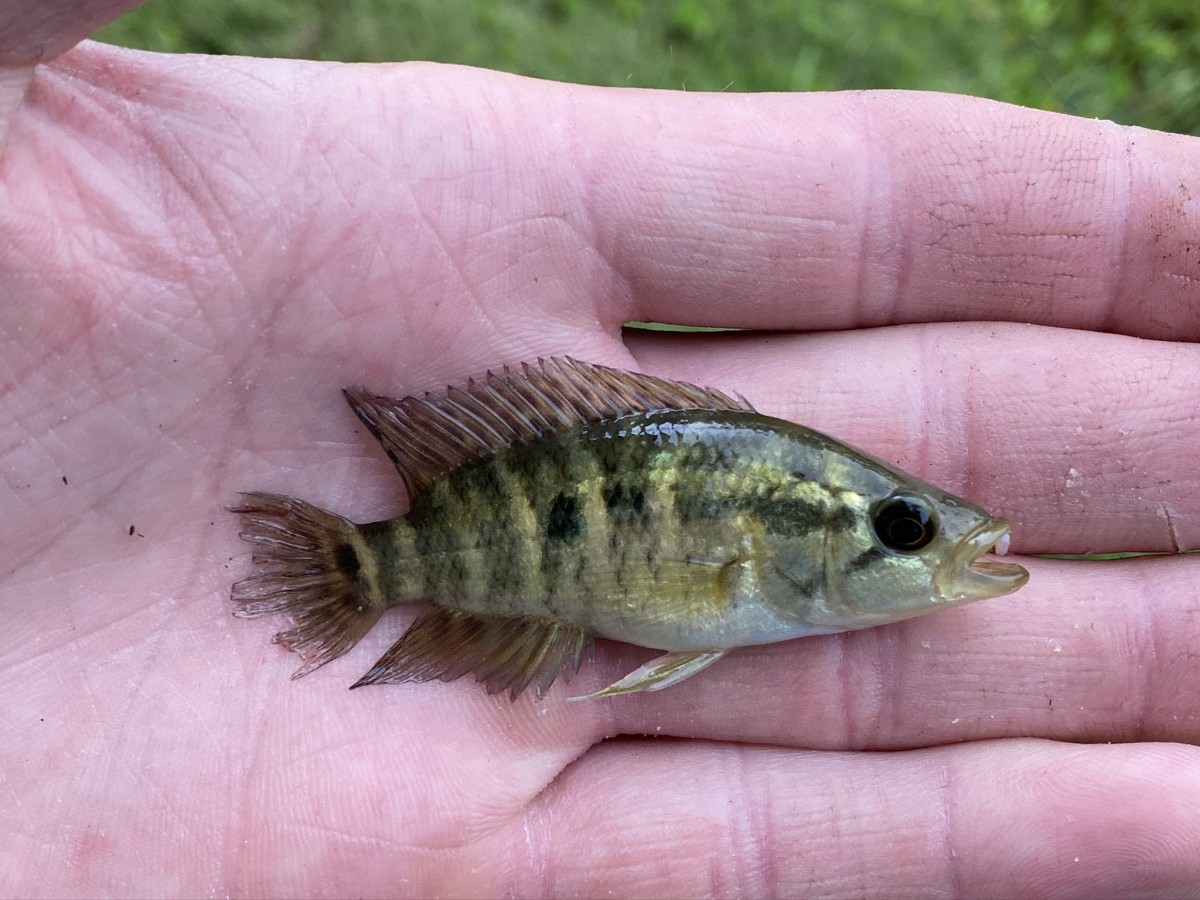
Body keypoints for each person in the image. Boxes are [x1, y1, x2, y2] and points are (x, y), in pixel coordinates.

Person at [2, 2, 1198, 896]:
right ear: (793, 537)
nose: (937, 544)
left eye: (909, 524)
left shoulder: (755, 571)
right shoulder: (746, 560)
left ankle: (377, 573)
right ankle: (360, 572)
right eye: (903, 525)